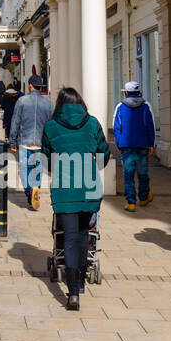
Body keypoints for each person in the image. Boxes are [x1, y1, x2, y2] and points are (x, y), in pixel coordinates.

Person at [39, 87, 111, 311]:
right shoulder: (92, 123)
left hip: (64, 189)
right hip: (89, 187)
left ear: (60, 104)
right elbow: (104, 152)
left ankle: (72, 294)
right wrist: (92, 167)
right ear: (80, 102)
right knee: (83, 235)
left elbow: (45, 156)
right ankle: (78, 283)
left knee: (69, 238)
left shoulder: (51, 125)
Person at [113, 80, 157, 211]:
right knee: (143, 173)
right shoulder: (146, 106)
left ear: (126, 92)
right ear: (139, 91)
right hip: (143, 145)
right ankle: (143, 198)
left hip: (127, 146)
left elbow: (116, 127)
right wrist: (151, 143)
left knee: (128, 174)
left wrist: (119, 143)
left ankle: (131, 202)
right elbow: (151, 126)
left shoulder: (120, 106)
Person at [10, 74, 51, 210]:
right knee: (38, 169)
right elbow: (51, 124)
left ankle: (29, 192)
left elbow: (15, 122)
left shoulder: (22, 101)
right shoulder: (49, 103)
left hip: (24, 142)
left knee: (24, 170)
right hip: (41, 143)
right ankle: (36, 189)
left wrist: (12, 142)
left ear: (30, 85)